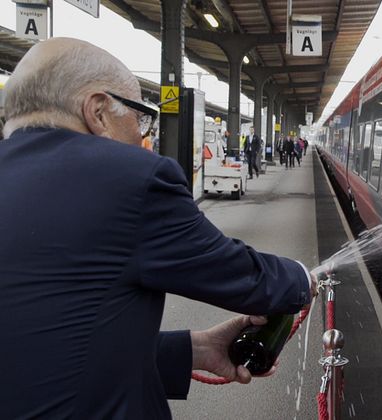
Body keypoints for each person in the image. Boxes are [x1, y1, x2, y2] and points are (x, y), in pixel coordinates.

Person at [0, 38, 317, 419]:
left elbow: (43, 344)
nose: (142, 136)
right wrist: (300, 278)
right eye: (140, 117)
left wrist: (195, 350)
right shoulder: (129, 177)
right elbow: (232, 271)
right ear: (97, 111)